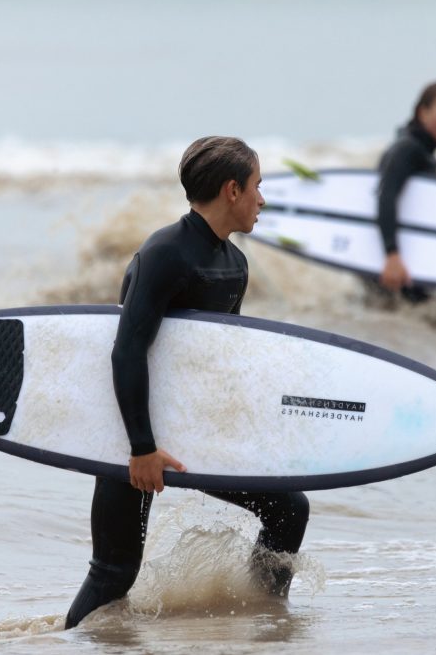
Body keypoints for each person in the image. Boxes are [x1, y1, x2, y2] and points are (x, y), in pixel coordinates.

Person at [65, 136, 310, 629]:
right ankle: (65, 644)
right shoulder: (165, 254)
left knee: (288, 510)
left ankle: (267, 617)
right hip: (134, 433)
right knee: (114, 572)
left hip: (192, 433)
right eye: (258, 186)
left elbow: (218, 363)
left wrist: (251, 437)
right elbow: (128, 351)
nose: (263, 199)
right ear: (232, 190)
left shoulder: (234, 264)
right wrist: (141, 447)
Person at [374, 81, 436, 302]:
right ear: (423, 112)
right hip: (393, 266)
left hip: (407, 262)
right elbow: (386, 196)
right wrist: (391, 255)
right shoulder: (408, 149)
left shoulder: (423, 153)